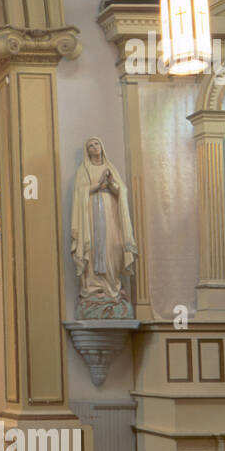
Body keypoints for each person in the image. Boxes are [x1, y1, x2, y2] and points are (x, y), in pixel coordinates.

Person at [70, 136, 137, 318]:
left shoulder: (110, 168)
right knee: (92, 250)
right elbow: (80, 192)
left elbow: (121, 191)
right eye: (90, 145)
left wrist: (109, 183)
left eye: (96, 144)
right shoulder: (84, 170)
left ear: (102, 147)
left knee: (111, 248)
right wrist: (96, 186)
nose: (94, 147)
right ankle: (94, 289)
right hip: (91, 215)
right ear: (87, 151)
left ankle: (112, 287)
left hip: (109, 213)